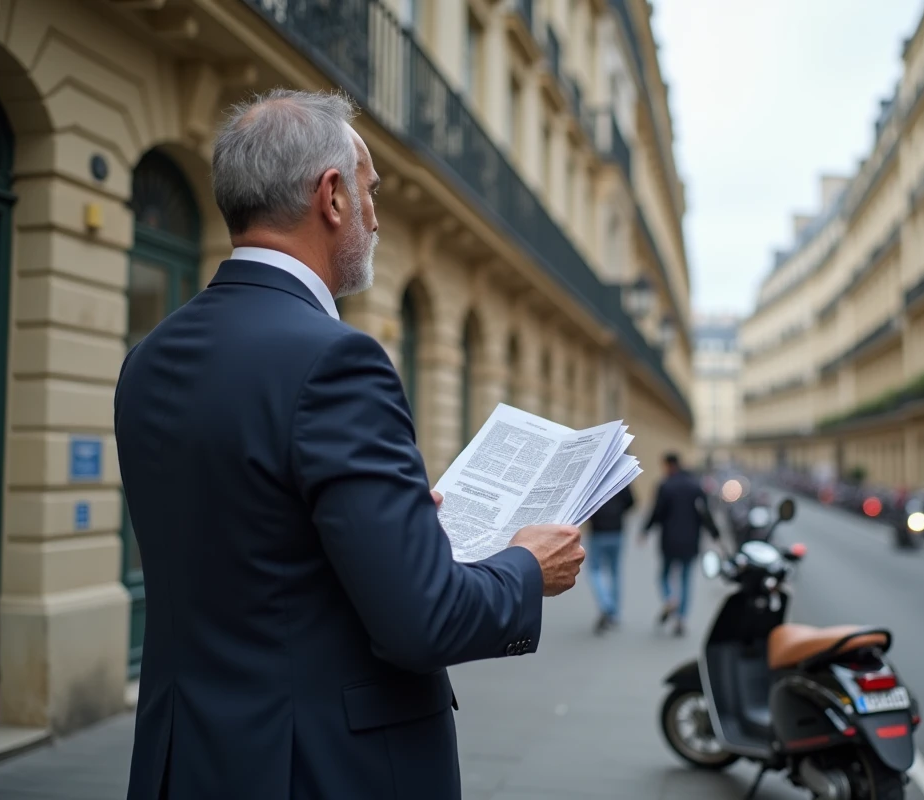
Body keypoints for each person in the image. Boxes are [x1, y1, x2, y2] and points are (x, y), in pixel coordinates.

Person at [113, 88, 585, 800]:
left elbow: (249, 538)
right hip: (321, 768)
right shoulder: (339, 360)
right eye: (370, 192)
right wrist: (525, 565)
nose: (376, 216)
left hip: (187, 763)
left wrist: (390, 521)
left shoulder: (148, 359)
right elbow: (421, 622)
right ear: (330, 196)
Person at [643, 453, 719, 637]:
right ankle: (681, 618)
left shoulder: (665, 485)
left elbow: (657, 512)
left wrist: (645, 530)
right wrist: (715, 532)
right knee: (686, 579)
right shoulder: (695, 486)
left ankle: (670, 598)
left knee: (664, 575)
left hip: (669, 540)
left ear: (669, 465)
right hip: (691, 541)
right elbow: (704, 513)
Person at [585, 483, 635, 634]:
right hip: (616, 530)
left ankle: (606, 604)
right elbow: (632, 502)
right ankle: (615, 613)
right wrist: (618, 512)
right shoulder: (621, 478)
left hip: (598, 531)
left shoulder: (593, 480)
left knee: (595, 569)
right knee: (615, 571)